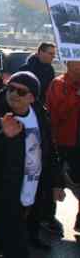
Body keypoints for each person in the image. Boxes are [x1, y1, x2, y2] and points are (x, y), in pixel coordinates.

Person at [0, 72, 65, 258]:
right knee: (16, 247)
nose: (13, 94)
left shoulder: (40, 114)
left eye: (21, 91)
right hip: (3, 194)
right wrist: (3, 136)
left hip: (31, 191)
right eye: (10, 89)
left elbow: (48, 150)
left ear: (32, 97)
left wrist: (57, 182)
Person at [46, 60, 80, 233]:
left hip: (78, 142)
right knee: (54, 182)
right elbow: (57, 113)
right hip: (62, 142)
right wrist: (77, 95)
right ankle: (48, 218)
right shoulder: (58, 84)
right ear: (69, 64)